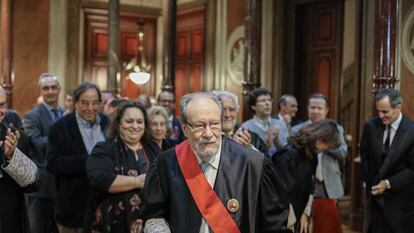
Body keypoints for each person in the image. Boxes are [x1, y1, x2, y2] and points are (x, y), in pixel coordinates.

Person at [141, 92, 290, 233]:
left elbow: (274, 225)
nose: (208, 134)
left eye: (214, 124)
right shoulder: (166, 163)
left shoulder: (253, 165)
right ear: (185, 128)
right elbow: (154, 215)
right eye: (199, 125)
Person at [85, 101, 161, 233]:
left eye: (139, 121)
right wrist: (137, 182)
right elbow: (99, 178)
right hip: (112, 223)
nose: (135, 126)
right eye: (129, 121)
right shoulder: (104, 149)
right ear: (119, 124)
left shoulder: (154, 149)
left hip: (149, 224)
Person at [47, 82, 110, 232]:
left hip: (105, 203)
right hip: (72, 206)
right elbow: (53, 163)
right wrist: (90, 161)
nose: (90, 108)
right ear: (75, 103)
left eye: (95, 103)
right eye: (84, 103)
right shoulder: (60, 127)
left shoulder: (108, 123)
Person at [360, 88, 414, 233]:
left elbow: (412, 169)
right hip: (375, 201)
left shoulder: (411, 131)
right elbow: (365, 157)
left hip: (399, 203)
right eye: (378, 111)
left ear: (398, 108)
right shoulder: (371, 126)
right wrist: (370, 183)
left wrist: (388, 184)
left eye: (385, 111)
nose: (380, 115)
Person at [291, 93, 347, 233]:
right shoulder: (297, 129)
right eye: (313, 107)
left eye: (319, 108)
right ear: (307, 108)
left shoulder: (336, 129)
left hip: (327, 183)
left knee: (326, 225)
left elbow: (343, 153)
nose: (315, 111)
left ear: (326, 110)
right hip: (304, 182)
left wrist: (325, 143)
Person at [273, 120, 340, 233]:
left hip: (297, 217)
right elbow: (281, 194)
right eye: (327, 145)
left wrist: (305, 213)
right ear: (319, 139)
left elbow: (310, 188)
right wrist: (289, 222)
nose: (326, 149)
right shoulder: (288, 155)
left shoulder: (312, 156)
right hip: (282, 219)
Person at [24, 73, 63, 233]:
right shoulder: (32, 115)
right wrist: (63, 137)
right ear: (40, 91)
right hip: (41, 185)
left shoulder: (65, 112)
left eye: (53, 87)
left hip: (63, 184)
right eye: (46, 88)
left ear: (59, 89)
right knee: (37, 228)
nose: (50, 91)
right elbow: (37, 143)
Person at [0, 85, 40, 233]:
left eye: (2, 105)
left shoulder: (16, 136)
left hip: (9, 221)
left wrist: (12, 157)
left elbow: (33, 184)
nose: (1, 111)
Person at [240, 88, 288, 156]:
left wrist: (276, 141)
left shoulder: (281, 124)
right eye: (263, 100)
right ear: (253, 106)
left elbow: (287, 153)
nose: (267, 103)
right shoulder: (246, 127)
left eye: (269, 100)